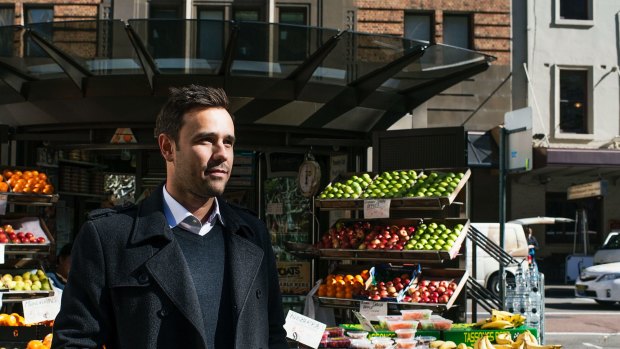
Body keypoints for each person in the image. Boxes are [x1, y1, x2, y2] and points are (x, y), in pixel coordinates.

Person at [52, 85, 288, 349]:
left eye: (228, 142)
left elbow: (274, 334)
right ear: (167, 148)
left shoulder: (252, 234)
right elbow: (75, 341)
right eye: (206, 140)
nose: (222, 154)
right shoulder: (109, 237)